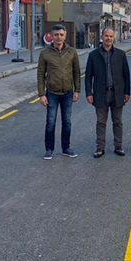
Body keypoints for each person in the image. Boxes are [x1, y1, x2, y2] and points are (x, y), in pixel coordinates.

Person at [85, 28, 131, 158]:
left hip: (117, 93)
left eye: (111, 36)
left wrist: (127, 92)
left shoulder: (120, 54)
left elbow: (126, 75)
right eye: (106, 36)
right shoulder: (93, 55)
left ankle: (118, 147)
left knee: (118, 122)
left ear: (113, 38)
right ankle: (100, 148)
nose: (108, 38)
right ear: (102, 37)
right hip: (100, 94)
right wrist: (89, 93)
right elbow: (88, 76)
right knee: (101, 122)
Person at [37, 24, 80, 160]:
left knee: (67, 122)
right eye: (56, 35)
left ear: (65, 36)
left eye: (61, 35)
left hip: (68, 93)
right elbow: (40, 74)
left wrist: (77, 90)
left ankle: (66, 148)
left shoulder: (72, 52)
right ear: (52, 36)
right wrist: (41, 94)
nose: (59, 37)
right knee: (50, 122)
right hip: (52, 93)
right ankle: (49, 149)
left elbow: (76, 72)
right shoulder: (45, 53)